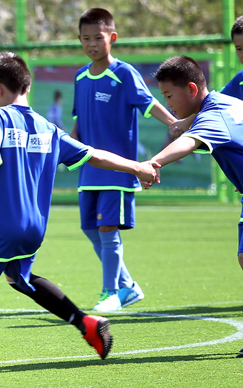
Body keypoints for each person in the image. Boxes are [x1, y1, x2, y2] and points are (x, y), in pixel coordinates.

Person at [0, 52, 158, 377]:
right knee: (22, 279)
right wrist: (136, 166)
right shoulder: (49, 129)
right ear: (28, 85)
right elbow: (94, 155)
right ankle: (86, 323)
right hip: (33, 226)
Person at [70, 8, 177, 312]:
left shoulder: (124, 73)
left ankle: (109, 293)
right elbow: (78, 122)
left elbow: (149, 103)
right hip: (89, 170)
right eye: (86, 38)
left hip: (118, 170)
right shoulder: (79, 76)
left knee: (108, 230)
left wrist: (173, 123)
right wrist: (68, 148)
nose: (92, 43)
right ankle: (128, 286)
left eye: (98, 37)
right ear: (79, 40)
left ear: (112, 38)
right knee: (91, 229)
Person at [144, 55, 243, 359]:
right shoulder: (225, 101)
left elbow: (189, 143)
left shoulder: (214, 118)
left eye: (169, 96)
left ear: (191, 89)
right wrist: (185, 121)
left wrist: (153, 161)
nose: (167, 102)